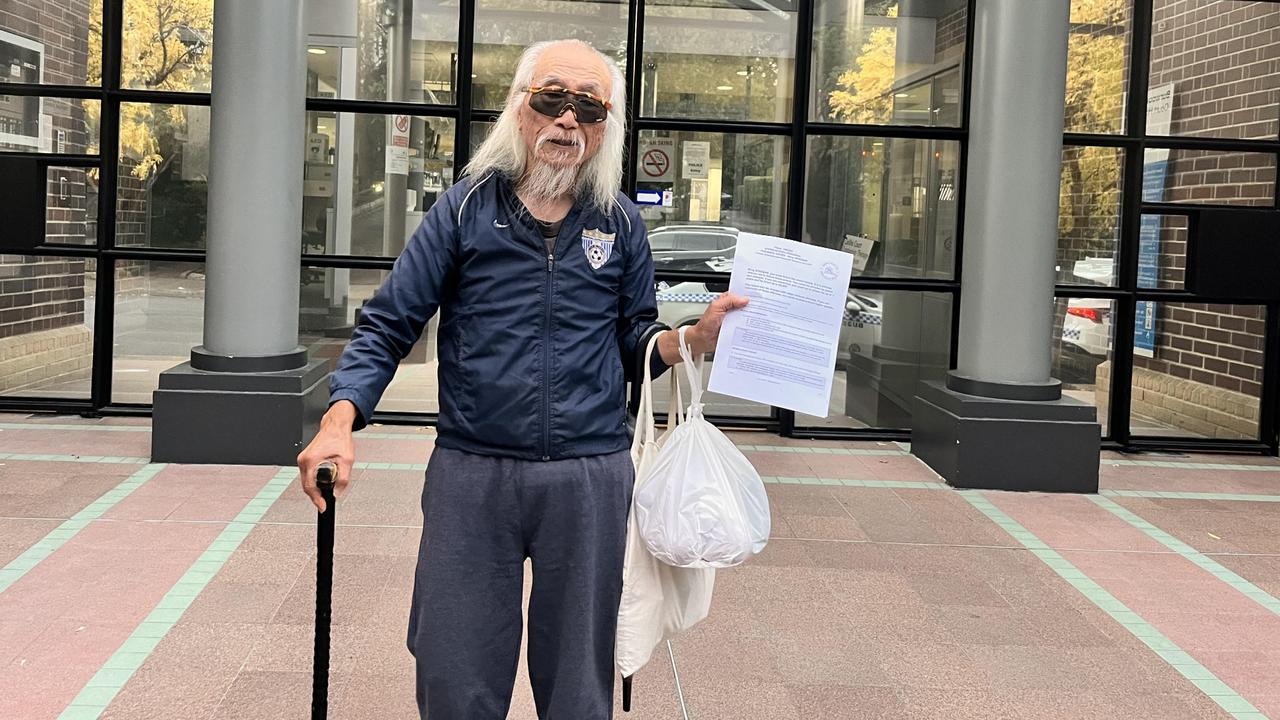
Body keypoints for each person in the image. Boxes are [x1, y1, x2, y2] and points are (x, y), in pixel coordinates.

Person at [296, 39, 747, 720]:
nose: (568, 119)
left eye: (589, 107)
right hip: (473, 472)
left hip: (589, 478)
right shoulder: (462, 211)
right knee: (454, 672)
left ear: (606, 127)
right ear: (520, 108)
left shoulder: (620, 223)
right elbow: (390, 323)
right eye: (552, 99)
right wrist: (339, 421)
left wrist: (690, 341)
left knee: (578, 686)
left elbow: (634, 339)